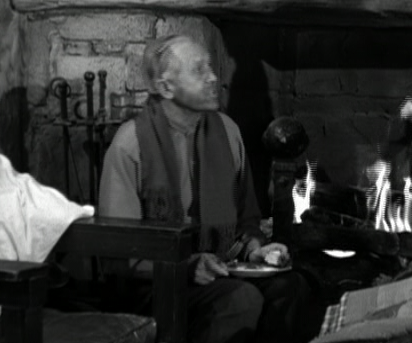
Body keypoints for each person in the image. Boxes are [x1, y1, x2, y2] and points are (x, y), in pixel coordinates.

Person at [98, 34, 312, 343]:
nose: (213, 78)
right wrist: (185, 267)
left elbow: (246, 221)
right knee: (240, 299)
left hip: (219, 269)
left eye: (210, 67)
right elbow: (119, 253)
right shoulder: (131, 145)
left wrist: (255, 251)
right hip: (154, 285)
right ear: (165, 87)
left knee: (292, 287)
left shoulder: (228, 132)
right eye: (199, 70)